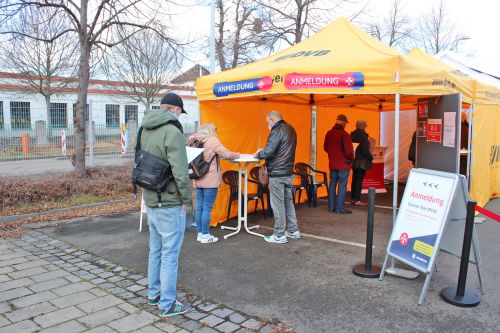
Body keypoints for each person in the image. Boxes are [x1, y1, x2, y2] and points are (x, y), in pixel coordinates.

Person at [138, 92, 192, 316]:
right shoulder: (173, 130)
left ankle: (154, 295)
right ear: (177, 110)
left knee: (156, 250)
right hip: (170, 200)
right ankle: (168, 304)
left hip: (150, 197)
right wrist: (186, 199)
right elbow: (180, 170)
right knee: (170, 254)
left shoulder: (143, 128)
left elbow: (138, 161)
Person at [188, 123, 240, 244]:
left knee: (200, 205)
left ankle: (200, 234)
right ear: (212, 130)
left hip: (196, 176)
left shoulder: (193, 140)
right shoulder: (212, 140)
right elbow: (226, 154)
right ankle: (206, 235)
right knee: (207, 207)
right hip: (210, 177)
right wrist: (238, 155)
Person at [254, 111, 299, 244]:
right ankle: (293, 230)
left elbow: (268, 152)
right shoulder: (291, 128)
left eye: (268, 123)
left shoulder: (276, 131)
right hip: (288, 173)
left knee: (278, 204)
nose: (268, 125)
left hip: (277, 174)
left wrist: (258, 154)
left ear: (272, 120)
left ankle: (279, 234)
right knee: (288, 203)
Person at [324, 114, 355, 214]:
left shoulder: (329, 133)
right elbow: (349, 152)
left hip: (333, 164)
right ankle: (340, 208)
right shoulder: (345, 135)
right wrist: (351, 159)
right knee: (342, 186)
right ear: (344, 123)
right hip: (343, 165)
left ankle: (331, 207)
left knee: (332, 185)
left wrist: (333, 155)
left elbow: (326, 148)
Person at [350, 120, 374, 206]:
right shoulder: (364, 137)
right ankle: (357, 200)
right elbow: (365, 152)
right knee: (359, 180)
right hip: (361, 161)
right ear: (363, 127)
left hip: (354, 160)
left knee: (354, 179)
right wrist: (371, 157)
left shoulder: (351, 135)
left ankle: (353, 198)